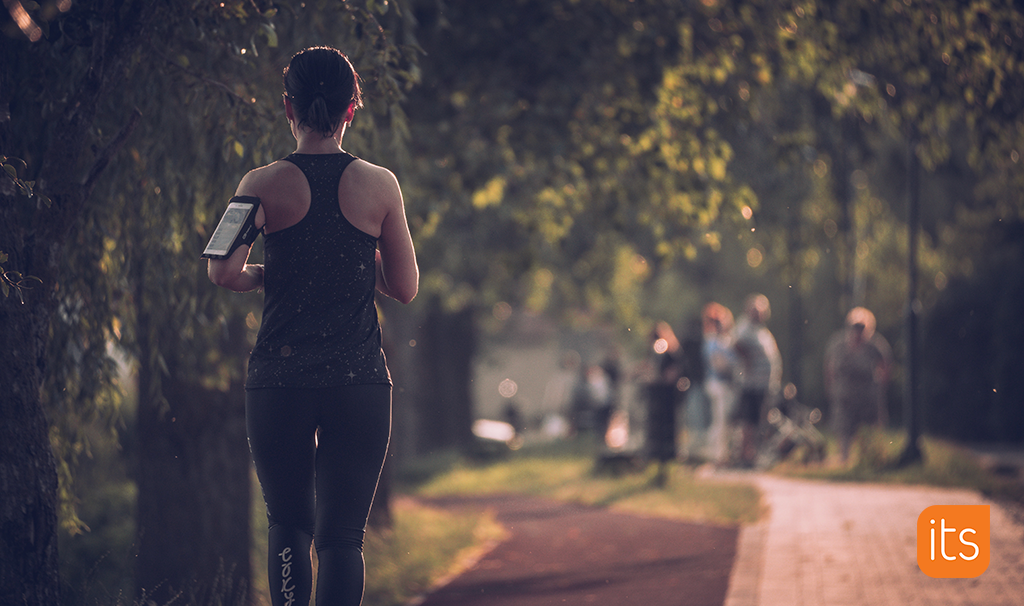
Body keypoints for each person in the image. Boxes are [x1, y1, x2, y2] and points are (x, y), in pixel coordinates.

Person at [207, 46, 418, 606]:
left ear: (287, 107)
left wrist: (265, 275)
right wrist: (350, 260)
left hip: (280, 382)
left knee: (289, 526)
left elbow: (222, 270)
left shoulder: (260, 182)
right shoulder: (381, 186)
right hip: (360, 384)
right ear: (353, 109)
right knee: (344, 539)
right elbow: (404, 286)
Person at [824, 307, 892, 464]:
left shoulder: (875, 345)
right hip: (845, 395)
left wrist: (881, 387)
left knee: (868, 428)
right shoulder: (838, 343)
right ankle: (844, 461)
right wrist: (831, 388)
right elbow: (829, 367)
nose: (857, 331)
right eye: (855, 327)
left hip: (867, 395)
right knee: (844, 429)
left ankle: (867, 460)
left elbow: (886, 365)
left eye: (861, 327)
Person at [732, 294, 782, 467]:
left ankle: (753, 454)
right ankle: (746, 455)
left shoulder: (761, 330)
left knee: (758, 420)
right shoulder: (745, 327)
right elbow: (736, 344)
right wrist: (748, 361)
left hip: (763, 384)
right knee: (749, 420)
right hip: (751, 384)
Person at [702, 302, 739, 466]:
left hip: (728, 385)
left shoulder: (727, 340)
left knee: (728, 422)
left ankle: (726, 453)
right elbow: (719, 365)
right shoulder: (711, 341)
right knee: (720, 421)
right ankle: (718, 455)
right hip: (718, 384)